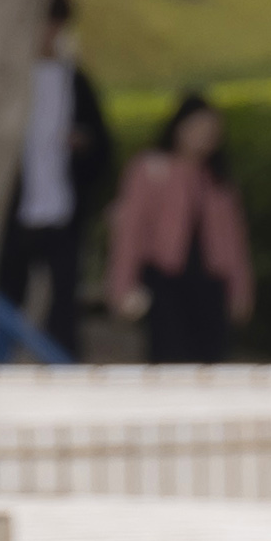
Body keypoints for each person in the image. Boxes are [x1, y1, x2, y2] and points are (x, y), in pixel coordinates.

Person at [0, 0, 118, 358]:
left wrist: (83, 146)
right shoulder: (6, 80)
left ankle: (63, 365)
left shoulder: (75, 82)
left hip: (61, 208)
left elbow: (102, 144)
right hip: (13, 208)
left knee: (64, 297)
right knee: (5, 294)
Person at [108, 94, 252, 364]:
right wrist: (122, 285)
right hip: (166, 276)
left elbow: (234, 241)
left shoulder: (217, 179)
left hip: (209, 280)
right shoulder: (150, 168)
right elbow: (130, 231)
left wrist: (240, 290)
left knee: (211, 358)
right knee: (169, 356)